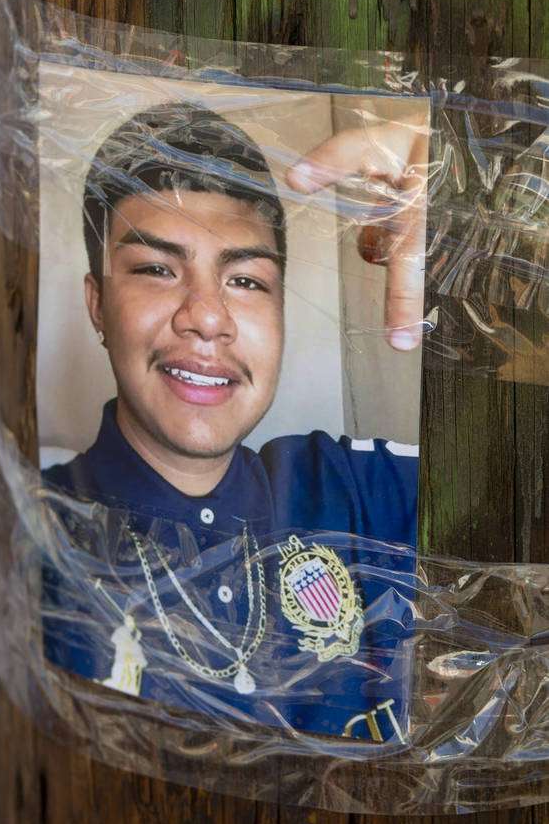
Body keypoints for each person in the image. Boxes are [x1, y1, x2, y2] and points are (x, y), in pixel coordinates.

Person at [42, 103, 425, 742]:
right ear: (97, 304)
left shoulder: (355, 493)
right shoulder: (39, 531)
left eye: (246, 280)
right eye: (157, 270)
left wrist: (491, 181)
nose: (208, 317)